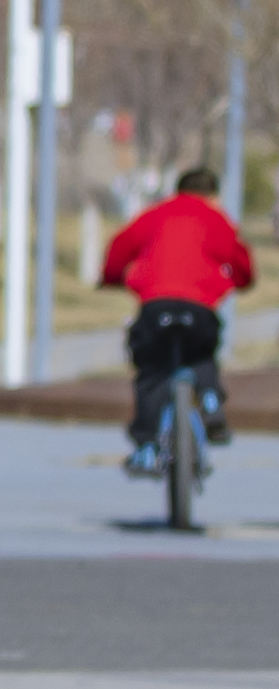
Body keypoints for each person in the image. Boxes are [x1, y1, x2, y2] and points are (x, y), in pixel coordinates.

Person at [98, 164, 254, 471]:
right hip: (199, 307)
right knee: (202, 355)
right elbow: (240, 259)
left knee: (152, 371)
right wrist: (241, 281)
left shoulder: (154, 215)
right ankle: (211, 403)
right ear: (213, 196)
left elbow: (120, 248)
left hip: (156, 306)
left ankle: (146, 446)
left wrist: (112, 277)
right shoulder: (216, 219)